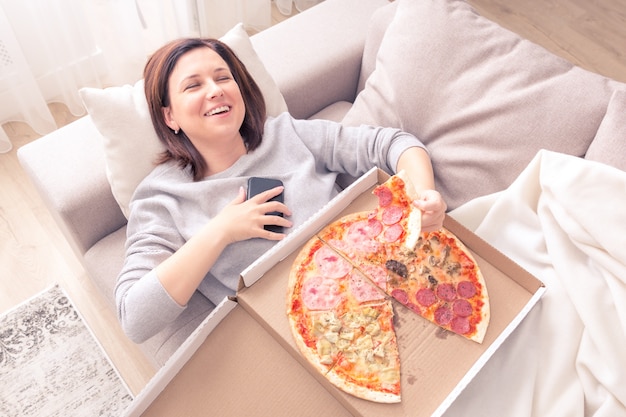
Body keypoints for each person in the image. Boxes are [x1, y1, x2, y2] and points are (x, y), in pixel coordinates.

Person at [115, 38, 446, 344]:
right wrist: (221, 230)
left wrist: (424, 197)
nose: (215, 90)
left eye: (223, 78)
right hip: (309, 334)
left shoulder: (286, 134)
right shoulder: (161, 198)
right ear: (169, 116)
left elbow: (391, 143)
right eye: (194, 85)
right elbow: (134, 319)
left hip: (390, 280)